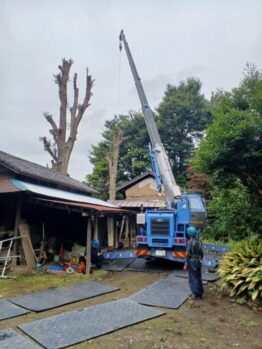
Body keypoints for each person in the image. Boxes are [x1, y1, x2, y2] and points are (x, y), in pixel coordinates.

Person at [184, 226, 204, 299]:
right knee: (198, 277)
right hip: (198, 261)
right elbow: (202, 252)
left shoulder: (189, 242)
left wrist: (186, 263)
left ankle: (195, 293)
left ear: (189, 234)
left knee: (193, 278)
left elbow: (188, 254)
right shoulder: (199, 242)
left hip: (192, 262)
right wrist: (201, 259)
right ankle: (200, 293)